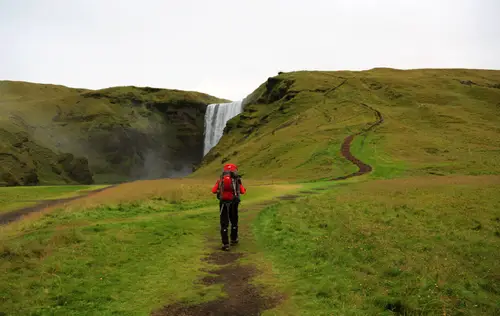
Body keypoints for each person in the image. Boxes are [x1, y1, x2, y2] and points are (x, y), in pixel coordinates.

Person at [211, 163, 246, 251]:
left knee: (224, 223)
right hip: (234, 203)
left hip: (223, 203)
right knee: (234, 221)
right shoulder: (237, 180)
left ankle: (225, 243)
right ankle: (234, 239)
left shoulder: (221, 180)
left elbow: (213, 191)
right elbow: (242, 191)